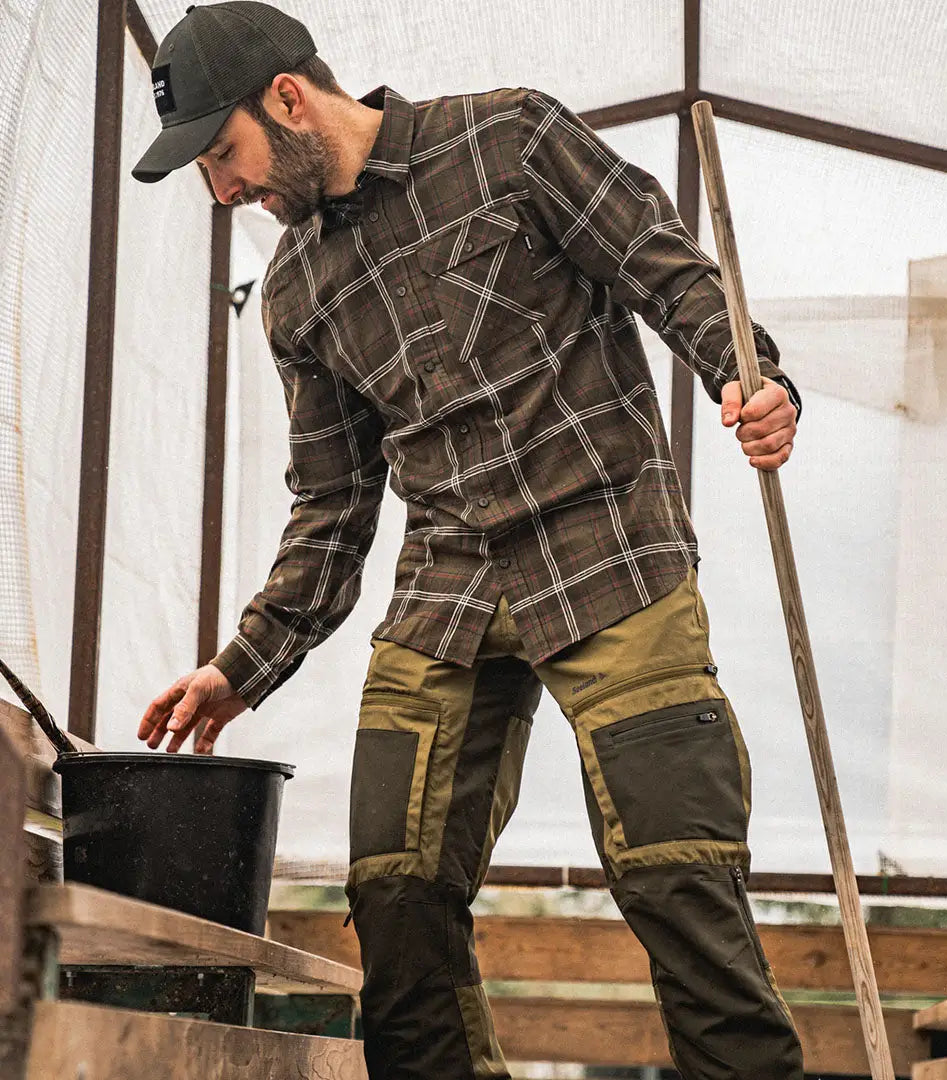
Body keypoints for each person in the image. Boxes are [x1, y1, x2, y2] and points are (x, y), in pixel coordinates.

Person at [134, 4, 805, 1077]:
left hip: (608, 554)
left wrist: (748, 374)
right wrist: (237, 672)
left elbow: (668, 271)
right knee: (394, 888)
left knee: (678, 875)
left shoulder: (512, 141)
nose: (225, 191)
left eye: (226, 154)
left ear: (291, 99)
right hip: (444, 593)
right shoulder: (297, 294)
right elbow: (332, 512)